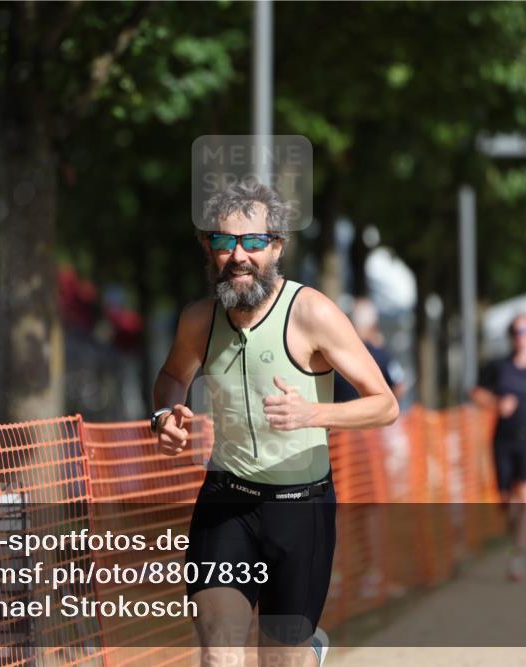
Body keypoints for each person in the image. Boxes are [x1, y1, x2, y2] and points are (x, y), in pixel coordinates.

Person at [151, 179, 399, 667]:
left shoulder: (312, 314)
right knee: (220, 651)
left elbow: (385, 404)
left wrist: (313, 414)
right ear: (208, 247)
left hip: (300, 507)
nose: (239, 255)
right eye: (224, 241)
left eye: (254, 241)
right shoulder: (199, 321)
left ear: (277, 246)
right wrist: (164, 414)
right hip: (227, 501)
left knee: (280, 659)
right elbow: (171, 376)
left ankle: (305, 654)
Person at [471, 313, 526, 582]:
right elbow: (475, 392)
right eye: (516, 331)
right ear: (511, 336)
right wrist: (496, 404)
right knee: (507, 501)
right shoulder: (499, 366)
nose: (521, 335)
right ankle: (514, 538)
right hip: (502, 441)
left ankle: (519, 554)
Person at [333, 296, 405, 403]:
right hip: (369, 415)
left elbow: (399, 386)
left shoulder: (337, 352)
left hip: (341, 414)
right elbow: (399, 386)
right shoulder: (381, 354)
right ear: (373, 325)